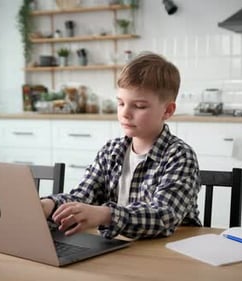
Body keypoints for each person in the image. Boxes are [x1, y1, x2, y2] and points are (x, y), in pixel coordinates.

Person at [40, 52, 201, 239]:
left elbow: (164, 216)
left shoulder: (179, 156)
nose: (125, 113)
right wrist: (49, 205)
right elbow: (84, 196)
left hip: (168, 253)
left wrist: (105, 214)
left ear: (167, 110)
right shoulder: (111, 151)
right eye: (121, 103)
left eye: (139, 106)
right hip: (120, 248)